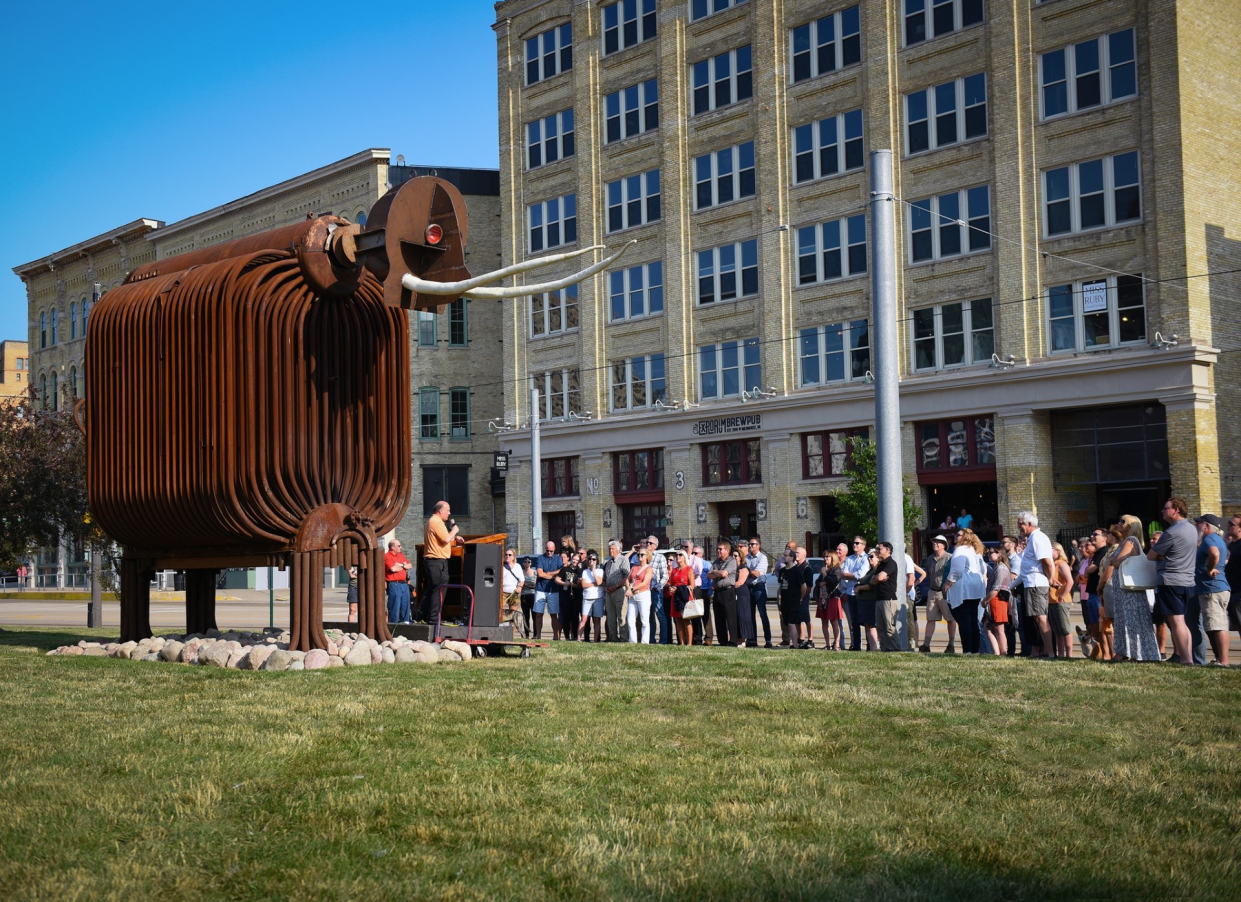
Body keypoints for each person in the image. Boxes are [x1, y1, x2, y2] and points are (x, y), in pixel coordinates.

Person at [1098, 516, 1159, 662]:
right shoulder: (1123, 542)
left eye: (1123, 521)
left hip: (1130, 590)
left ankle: (1137, 654)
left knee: (1131, 620)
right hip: (1122, 588)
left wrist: (1113, 560)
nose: (1119, 523)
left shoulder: (1130, 541)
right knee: (1122, 620)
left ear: (1131, 526)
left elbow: (1118, 561)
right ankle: (1123, 652)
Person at [1147, 498, 1197, 665]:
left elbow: (1151, 555)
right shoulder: (1192, 529)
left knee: (1176, 622)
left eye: (1165, 508)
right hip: (1187, 580)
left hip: (1170, 580)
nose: (1162, 511)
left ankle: (1186, 660)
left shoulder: (1172, 532)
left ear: (1176, 510)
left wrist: (1160, 553)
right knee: (1182, 621)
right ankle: (1188, 657)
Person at [1193, 514, 1231, 667]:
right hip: (1214, 588)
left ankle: (1224, 661)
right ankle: (1219, 658)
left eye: (1199, 523)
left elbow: (1214, 553)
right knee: (1214, 625)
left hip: (1212, 589)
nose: (1197, 526)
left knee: (1218, 626)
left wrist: (1210, 569)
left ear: (1207, 526)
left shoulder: (1209, 539)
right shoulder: (1217, 539)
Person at [1016, 512, 1055, 658]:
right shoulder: (1033, 538)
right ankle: (1041, 651)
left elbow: (1047, 562)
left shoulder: (1037, 538)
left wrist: (1050, 579)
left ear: (1029, 524)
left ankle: (1050, 652)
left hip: (1036, 583)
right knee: (1037, 618)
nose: (1018, 526)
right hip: (1031, 583)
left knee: (1041, 618)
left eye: (1020, 523)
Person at [943, 529, 987, 654]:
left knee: (964, 620)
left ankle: (967, 650)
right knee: (973, 620)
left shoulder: (961, 549)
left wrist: (948, 583)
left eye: (958, 535)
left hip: (964, 588)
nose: (955, 537)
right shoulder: (975, 551)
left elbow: (957, 570)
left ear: (965, 537)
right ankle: (974, 650)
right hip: (976, 589)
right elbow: (983, 571)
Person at [421, 501, 464, 623]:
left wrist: (454, 538)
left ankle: (423, 616)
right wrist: (454, 531)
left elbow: (442, 538)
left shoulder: (435, 521)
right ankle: (433, 619)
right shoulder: (436, 521)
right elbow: (445, 539)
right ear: (440, 511)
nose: (449, 513)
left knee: (433, 589)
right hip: (436, 561)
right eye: (448, 510)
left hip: (435, 561)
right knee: (438, 589)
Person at [919, 536, 954, 654]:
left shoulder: (950, 558)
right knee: (930, 619)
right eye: (934, 542)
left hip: (946, 592)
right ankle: (926, 645)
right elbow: (929, 574)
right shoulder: (930, 559)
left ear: (944, 545)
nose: (935, 544)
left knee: (950, 619)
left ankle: (951, 645)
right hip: (932, 592)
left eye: (938, 542)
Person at [868, 541, 902, 651]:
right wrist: (878, 578)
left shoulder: (891, 563)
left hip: (889, 600)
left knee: (889, 628)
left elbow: (878, 578)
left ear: (887, 550)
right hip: (879, 599)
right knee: (881, 629)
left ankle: (896, 650)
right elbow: (873, 580)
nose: (878, 551)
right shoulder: (881, 564)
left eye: (880, 549)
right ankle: (885, 650)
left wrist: (878, 578)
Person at [779, 546, 814, 648]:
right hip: (785, 601)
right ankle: (799, 641)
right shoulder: (782, 571)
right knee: (790, 623)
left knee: (792, 623)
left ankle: (795, 645)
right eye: (783, 555)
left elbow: (804, 587)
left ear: (791, 558)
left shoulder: (797, 571)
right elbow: (781, 586)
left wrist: (800, 598)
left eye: (785, 555)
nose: (783, 557)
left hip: (794, 601)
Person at [840, 537, 870, 651]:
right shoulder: (849, 559)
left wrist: (849, 575)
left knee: (866, 621)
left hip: (862, 593)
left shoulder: (866, 558)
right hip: (850, 592)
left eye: (857, 543)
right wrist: (852, 575)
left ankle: (869, 645)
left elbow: (861, 575)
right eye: (854, 543)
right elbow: (844, 575)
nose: (854, 545)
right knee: (854, 621)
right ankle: (856, 645)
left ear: (863, 545)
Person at [708, 540, 739, 646]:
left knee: (730, 617)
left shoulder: (731, 561)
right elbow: (708, 575)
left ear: (727, 550)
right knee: (719, 617)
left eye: (720, 549)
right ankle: (722, 641)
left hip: (727, 591)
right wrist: (719, 573)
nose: (718, 551)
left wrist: (716, 573)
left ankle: (733, 641)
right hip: (717, 592)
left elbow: (725, 573)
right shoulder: (716, 561)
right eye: (717, 548)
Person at [1048, 542, 1075, 658]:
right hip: (1051, 600)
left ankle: (1069, 655)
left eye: (1050, 549)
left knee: (1065, 629)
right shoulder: (1051, 564)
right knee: (1057, 630)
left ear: (1057, 551)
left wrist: (1062, 595)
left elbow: (1070, 581)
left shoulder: (1062, 564)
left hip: (1060, 601)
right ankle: (1060, 654)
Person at [983, 547, 1011, 655]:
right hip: (994, 600)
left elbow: (996, 589)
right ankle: (997, 652)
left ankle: (1003, 652)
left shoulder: (1001, 568)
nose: (989, 555)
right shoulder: (997, 567)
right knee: (989, 628)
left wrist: (985, 600)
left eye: (991, 553)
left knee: (999, 629)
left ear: (999, 554)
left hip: (998, 600)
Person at [745, 537, 772, 647]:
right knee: (750, 615)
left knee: (762, 614)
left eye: (753, 544)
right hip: (748, 587)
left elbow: (757, 573)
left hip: (759, 588)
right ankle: (752, 639)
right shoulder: (746, 557)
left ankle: (768, 640)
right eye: (749, 544)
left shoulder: (763, 558)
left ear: (758, 545)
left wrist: (745, 571)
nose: (750, 546)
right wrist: (748, 572)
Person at [534, 540, 563, 641]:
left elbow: (560, 571)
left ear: (554, 549)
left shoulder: (558, 559)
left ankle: (556, 636)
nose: (549, 552)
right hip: (540, 589)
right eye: (547, 551)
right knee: (538, 614)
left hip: (553, 590)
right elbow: (540, 574)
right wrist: (552, 576)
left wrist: (547, 573)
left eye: (551, 551)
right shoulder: (540, 558)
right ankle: (538, 635)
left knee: (553, 614)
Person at [815, 553, 845, 650]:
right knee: (824, 621)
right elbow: (817, 582)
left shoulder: (836, 569)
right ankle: (827, 644)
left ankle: (836, 644)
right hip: (823, 597)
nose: (825, 558)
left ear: (833, 558)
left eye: (827, 556)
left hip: (832, 597)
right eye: (824, 556)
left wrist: (824, 574)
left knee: (834, 621)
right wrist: (821, 582)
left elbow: (832, 581)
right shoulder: (825, 568)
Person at [602, 540, 630, 642]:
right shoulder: (608, 562)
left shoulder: (623, 560)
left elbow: (627, 576)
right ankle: (613, 639)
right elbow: (605, 577)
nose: (610, 551)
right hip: (609, 592)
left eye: (613, 549)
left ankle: (624, 639)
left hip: (619, 590)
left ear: (618, 550)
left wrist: (616, 586)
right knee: (610, 617)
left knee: (621, 616)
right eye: (609, 549)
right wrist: (605, 587)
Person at [667, 550, 696, 647]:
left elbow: (692, 585)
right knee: (678, 621)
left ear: (684, 557)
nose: (678, 556)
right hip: (675, 598)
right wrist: (671, 589)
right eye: (677, 555)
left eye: (680, 555)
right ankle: (682, 642)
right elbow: (671, 584)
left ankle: (690, 643)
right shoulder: (674, 570)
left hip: (685, 597)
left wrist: (679, 589)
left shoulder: (688, 569)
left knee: (686, 620)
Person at [626, 547, 654, 643]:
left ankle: (645, 641)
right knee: (630, 620)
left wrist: (631, 589)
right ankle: (633, 641)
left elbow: (644, 583)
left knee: (644, 620)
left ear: (647, 557)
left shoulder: (649, 568)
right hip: (633, 596)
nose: (639, 556)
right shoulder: (634, 567)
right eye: (638, 554)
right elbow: (627, 579)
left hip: (643, 595)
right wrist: (629, 588)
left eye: (642, 554)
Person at [645, 536, 670, 644]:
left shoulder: (660, 557)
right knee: (649, 617)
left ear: (655, 546)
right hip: (644, 591)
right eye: (647, 542)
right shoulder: (642, 556)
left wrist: (658, 587)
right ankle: (651, 639)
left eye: (650, 543)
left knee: (660, 615)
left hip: (655, 590)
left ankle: (663, 640)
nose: (648, 544)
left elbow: (665, 576)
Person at [1002, 534, 1023, 657]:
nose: (1003, 545)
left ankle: (1023, 650)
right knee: (1008, 626)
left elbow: (1012, 578)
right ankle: (1010, 651)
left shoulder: (1015, 561)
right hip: (1007, 597)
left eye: (1005, 542)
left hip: (1014, 597)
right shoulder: (1007, 560)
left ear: (1012, 544)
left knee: (1016, 626)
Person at [384, 537, 413, 624]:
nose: (401, 547)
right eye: (399, 546)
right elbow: (393, 569)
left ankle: (406, 623)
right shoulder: (387, 556)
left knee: (406, 605)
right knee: (394, 607)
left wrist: (400, 565)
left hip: (404, 584)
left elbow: (410, 565)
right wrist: (403, 566)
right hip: (394, 584)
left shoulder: (400, 555)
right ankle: (393, 625)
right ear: (393, 547)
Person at [579, 550, 604, 642]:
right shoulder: (585, 571)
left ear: (596, 561)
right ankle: (578, 638)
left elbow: (599, 582)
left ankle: (595, 640)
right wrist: (594, 583)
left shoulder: (600, 571)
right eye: (589, 559)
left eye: (593, 559)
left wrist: (594, 571)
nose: (591, 561)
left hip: (598, 598)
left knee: (597, 620)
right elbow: (584, 585)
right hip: (587, 598)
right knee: (584, 619)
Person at [501, 548, 526, 638]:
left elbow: (522, 580)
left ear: (513, 557)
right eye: (506, 555)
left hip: (514, 592)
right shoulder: (501, 566)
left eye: (509, 555)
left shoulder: (517, 566)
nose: (507, 556)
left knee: (513, 613)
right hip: (503, 592)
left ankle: (512, 634)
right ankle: (500, 630)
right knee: (499, 612)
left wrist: (520, 587)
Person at [733, 548, 753, 648]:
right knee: (736, 616)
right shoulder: (732, 568)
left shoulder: (743, 568)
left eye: (736, 556)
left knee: (743, 615)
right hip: (734, 594)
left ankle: (743, 638)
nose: (733, 558)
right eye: (732, 556)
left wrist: (727, 585)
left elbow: (740, 582)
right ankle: (736, 638)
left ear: (741, 557)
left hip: (742, 594)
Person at [520, 558, 536, 639]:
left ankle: (535, 634)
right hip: (524, 596)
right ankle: (526, 634)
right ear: (523, 563)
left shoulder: (534, 572)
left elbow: (536, 584)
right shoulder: (521, 572)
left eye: (529, 562)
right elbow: (519, 583)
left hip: (533, 595)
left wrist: (526, 585)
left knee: (535, 616)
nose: (527, 563)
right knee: (526, 616)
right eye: (525, 562)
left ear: (531, 563)